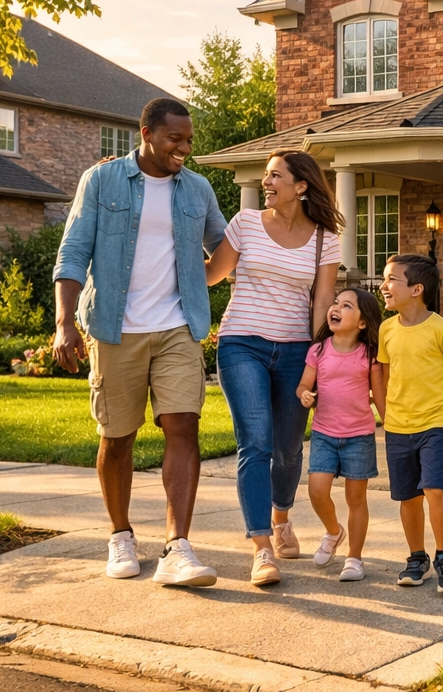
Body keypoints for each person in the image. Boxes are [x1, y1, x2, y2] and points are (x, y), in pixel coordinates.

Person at [53, 97, 228, 587]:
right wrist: (65, 322)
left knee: (183, 427)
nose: (185, 149)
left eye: (190, 139)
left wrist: (204, 280)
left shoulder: (196, 189)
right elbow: (72, 252)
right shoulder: (102, 180)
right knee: (117, 437)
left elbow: (225, 246)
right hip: (114, 326)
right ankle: (121, 535)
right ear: (146, 132)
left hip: (176, 326)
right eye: (176, 138)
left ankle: (178, 548)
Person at [205, 150, 341, 586]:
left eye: (275, 175)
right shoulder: (245, 223)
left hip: (296, 351)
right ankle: (261, 547)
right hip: (242, 343)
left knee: (287, 449)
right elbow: (212, 274)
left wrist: (321, 359)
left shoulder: (325, 238)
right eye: (265, 175)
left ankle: (281, 517)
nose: (266, 182)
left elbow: (322, 303)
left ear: (301, 186)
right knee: (255, 442)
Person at [377, 253, 443, 593]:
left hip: (435, 423)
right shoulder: (386, 329)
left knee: (436, 488)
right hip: (398, 427)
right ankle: (416, 557)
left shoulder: (441, 329)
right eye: (384, 278)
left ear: (416, 289)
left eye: (392, 279)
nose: (383, 285)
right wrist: (386, 413)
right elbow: (387, 375)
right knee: (408, 496)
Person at [296, 287, 383, 582]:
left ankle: (355, 558)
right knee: (317, 490)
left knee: (356, 498)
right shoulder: (318, 350)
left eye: (346, 305)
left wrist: (390, 420)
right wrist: (305, 394)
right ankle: (334, 531)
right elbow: (303, 385)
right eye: (336, 302)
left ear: (362, 322)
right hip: (324, 433)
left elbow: (380, 394)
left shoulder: (369, 355)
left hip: (359, 437)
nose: (335, 307)